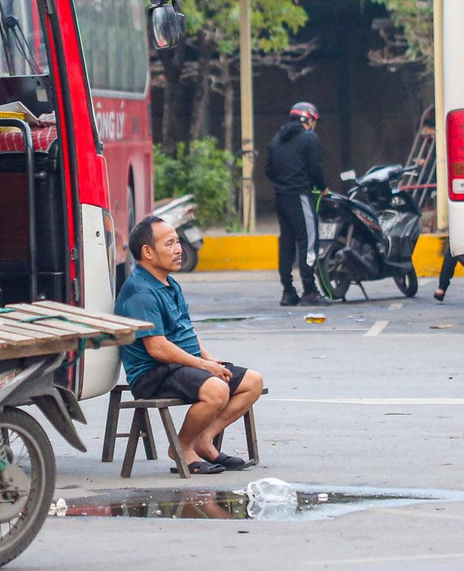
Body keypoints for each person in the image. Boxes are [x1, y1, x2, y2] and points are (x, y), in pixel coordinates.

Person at [115, 215, 264, 475]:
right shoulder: (140, 292)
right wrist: (202, 364)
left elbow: (186, 329)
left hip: (184, 366)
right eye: (169, 243)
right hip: (154, 373)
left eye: (177, 242)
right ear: (147, 252)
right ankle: (181, 447)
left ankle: (204, 439)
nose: (178, 249)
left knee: (252, 381)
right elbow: (157, 349)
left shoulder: (169, 283)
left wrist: (209, 359)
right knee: (217, 390)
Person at [265, 101, 329, 306]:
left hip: (281, 197)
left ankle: (288, 290)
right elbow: (314, 168)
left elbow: (268, 169)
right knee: (308, 242)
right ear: (308, 119)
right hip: (301, 195)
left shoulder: (277, 139)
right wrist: (322, 187)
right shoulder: (309, 138)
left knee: (286, 243)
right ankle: (309, 290)